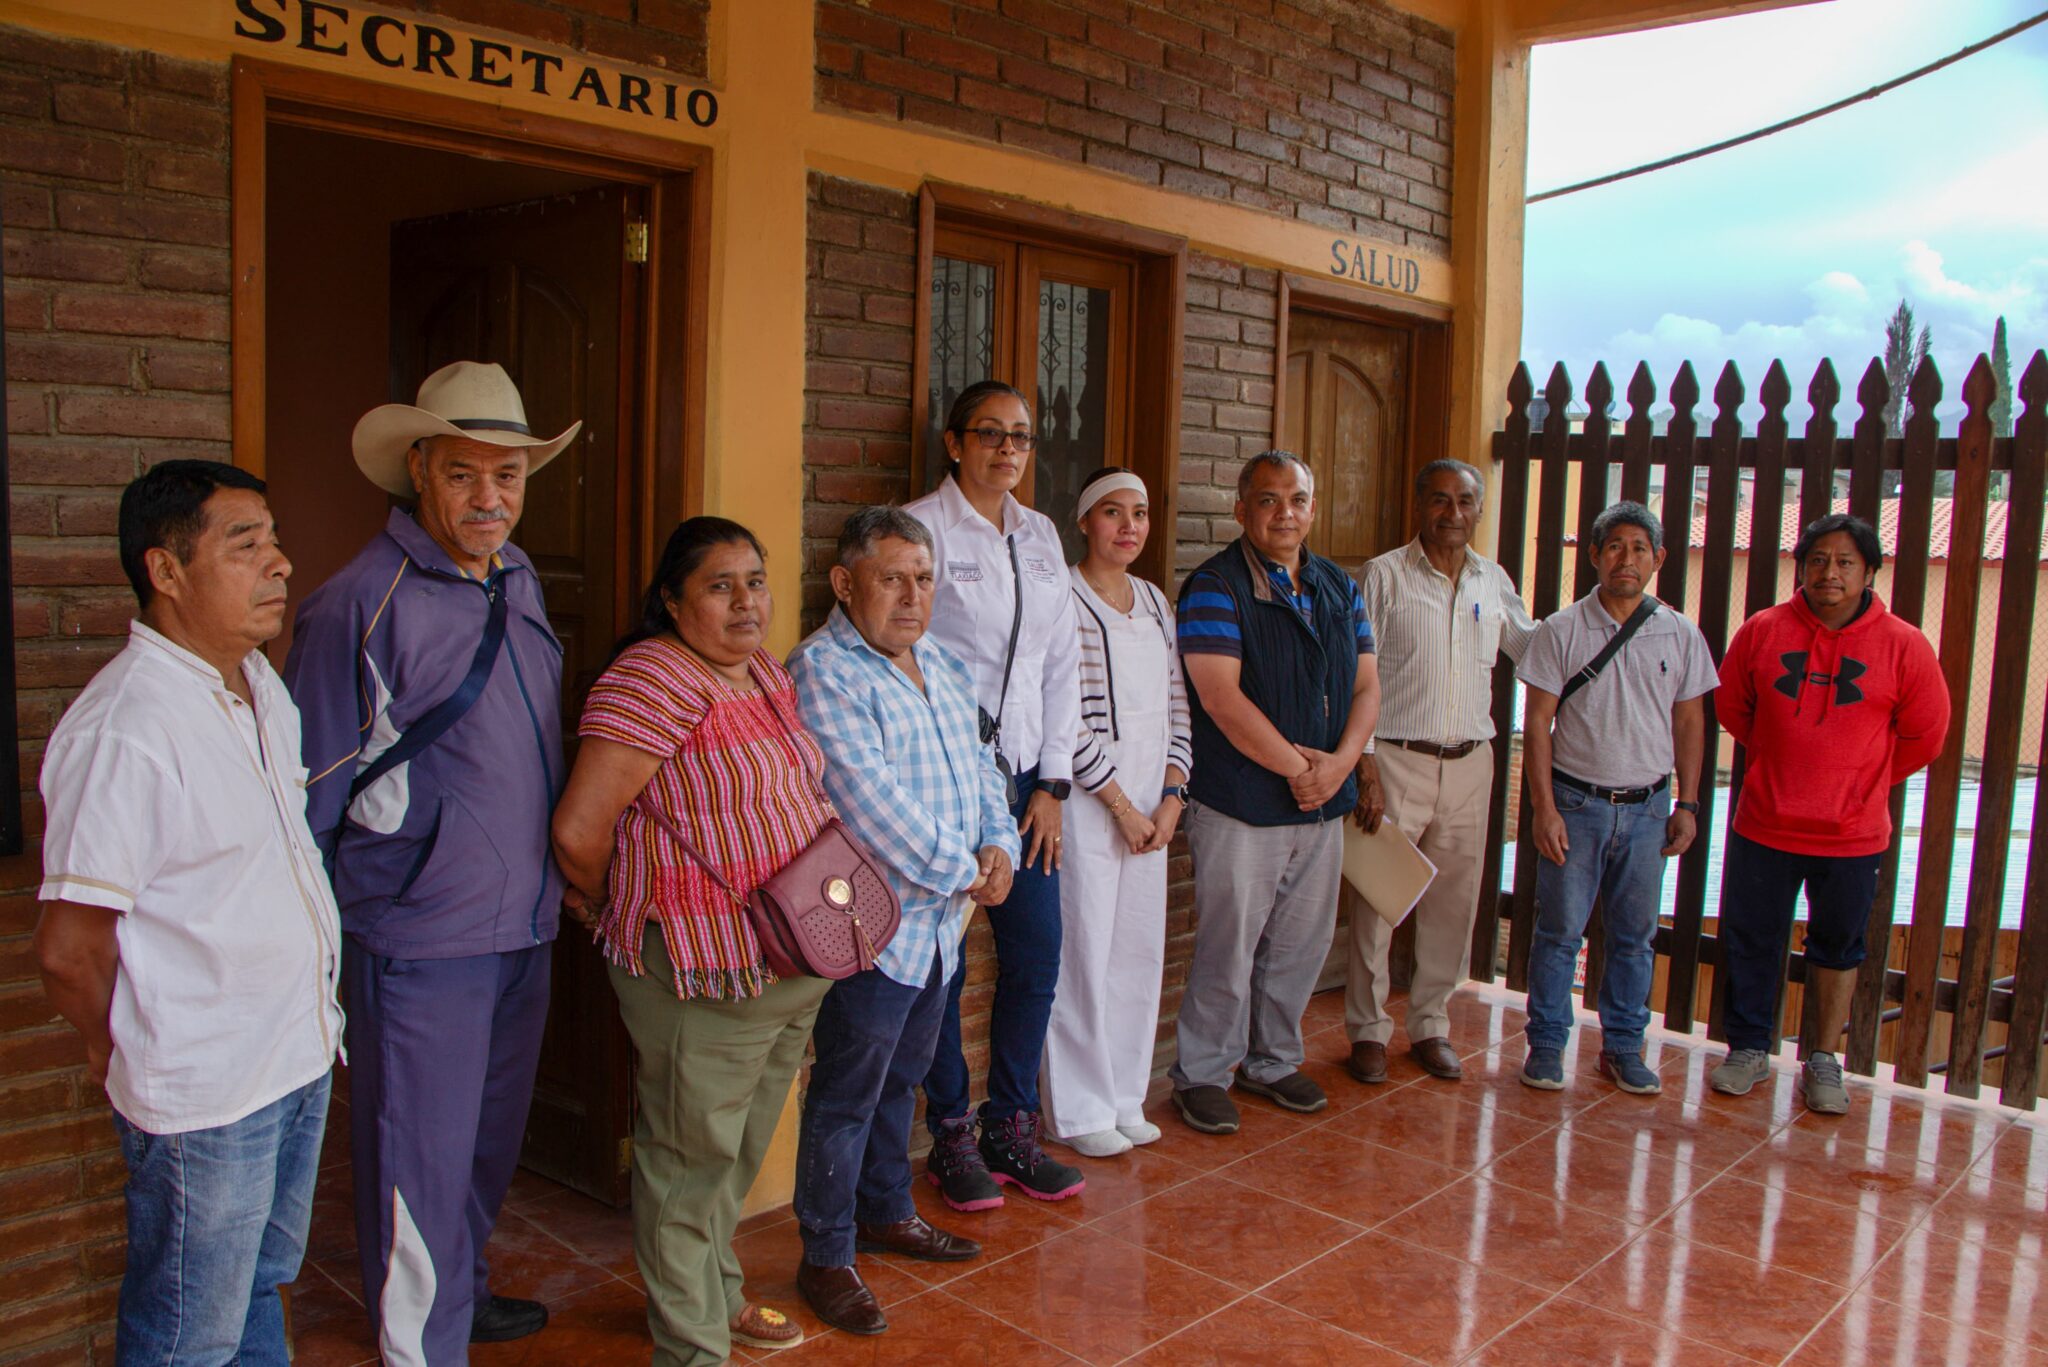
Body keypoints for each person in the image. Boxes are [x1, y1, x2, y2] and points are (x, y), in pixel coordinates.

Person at [284, 360, 575, 1362]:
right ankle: (421, 1345)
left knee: (486, 1148)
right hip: (414, 935)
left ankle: (461, 1287)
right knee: (418, 1156)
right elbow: (310, 800)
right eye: (463, 473)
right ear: (417, 468)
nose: (489, 497)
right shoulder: (356, 603)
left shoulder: (522, 577)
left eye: (508, 474)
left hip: (522, 923)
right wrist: (316, 956)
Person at [34, 460, 345, 1365]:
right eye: (244, 545)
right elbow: (68, 948)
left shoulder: (257, 686)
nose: (280, 562)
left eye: (274, 539)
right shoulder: (125, 725)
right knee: (184, 1334)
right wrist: (114, 1039)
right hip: (207, 1092)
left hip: (294, 1057)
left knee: (255, 1287)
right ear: (165, 571)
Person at [550, 518, 832, 1362]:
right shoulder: (650, 678)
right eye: (719, 584)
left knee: (736, 1150)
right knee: (685, 1161)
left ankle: (718, 1294)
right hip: (700, 968)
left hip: (788, 957)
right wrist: (612, 905)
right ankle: (690, 1347)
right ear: (672, 601)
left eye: (755, 578)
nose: (746, 600)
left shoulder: (763, 672)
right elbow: (579, 829)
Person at [787, 507, 1018, 1336]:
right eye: (892, 578)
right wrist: (971, 872)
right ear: (846, 584)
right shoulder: (824, 672)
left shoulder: (946, 665)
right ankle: (826, 1251)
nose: (912, 596)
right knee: (847, 1090)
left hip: (943, 926)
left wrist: (1001, 846)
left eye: (923, 578)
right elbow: (867, 801)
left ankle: (886, 1208)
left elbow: (989, 769)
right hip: (872, 926)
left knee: (901, 1075)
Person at [903, 381, 1085, 1207]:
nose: (1007, 450)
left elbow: (1060, 666)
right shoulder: (921, 530)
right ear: (954, 443)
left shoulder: (1041, 535)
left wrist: (1051, 783)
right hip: (941, 776)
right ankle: (950, 1133)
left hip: (1024, 781)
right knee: (940, 958)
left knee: (1035, 950)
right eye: (989, 434)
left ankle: (1011, 1124)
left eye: (1020, 437)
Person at [1170, 451, 1381, 1135]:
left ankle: (1272, 1060)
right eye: (1267, 499)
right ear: (1242, 510)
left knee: (1300, 943)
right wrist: (1301, 768)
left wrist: (1341, 763)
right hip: (1241, 803)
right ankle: (1202, 1072)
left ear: (1312, 508)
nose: (1284, 512)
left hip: (1322, 801)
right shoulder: (1215, 586)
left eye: (1297, 499)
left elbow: (1368, 684)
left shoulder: (1338, 587)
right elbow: (1220, 697)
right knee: (1230, 945)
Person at [1709, 513, 1948, 1114]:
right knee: (1752, 938)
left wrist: (1859, 781)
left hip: (1852, 835)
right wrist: (1784, 765)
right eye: (1818, 560)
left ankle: (1822, 1058)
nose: (1830, 572)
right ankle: (1748, 1048)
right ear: (1803, 568)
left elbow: (1927, 735)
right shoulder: (1763, 631)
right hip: (1765, 822)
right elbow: (1735, 709)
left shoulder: (1905, 645)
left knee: (1837, 947)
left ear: (1870, 572)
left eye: (1845, 562)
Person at [1517, 501, 1717, 1095]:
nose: (1625, 559)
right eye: (1613, 547)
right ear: (1595, 557)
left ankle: (1624, 1047)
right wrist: (1544, 808)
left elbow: (1689, 724)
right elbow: (1537, 725)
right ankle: (1547, 1045)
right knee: (1559, 932)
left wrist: (1688, 804)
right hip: (1577, 805)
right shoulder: (1563, 629)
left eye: (1638, 548)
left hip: (1650, 808)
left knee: (1635, 937)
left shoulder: (1680, 633)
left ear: (1658, 559)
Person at [1348, 460, 1537, 1084]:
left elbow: (1532, 651)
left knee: (1453, 902)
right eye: (1440, 500)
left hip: (1470, 764)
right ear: (1420, 504)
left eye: (1464, 502)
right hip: (1396, 757)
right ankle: (1368, 1031)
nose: (1452, 514)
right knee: (1380, 899)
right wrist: (1365, 760)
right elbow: (1355, 668)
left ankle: (1430, 1024)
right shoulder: (1385, 575)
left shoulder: (1493, 580)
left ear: (1478, 511)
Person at [1041, 468, 1192, 1157]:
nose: (1128, 526)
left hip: (1150, 805)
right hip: (1091, 804)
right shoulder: (1062, 599)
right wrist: (1123, 807)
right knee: (1085, 952)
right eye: (1112, 512)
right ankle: (1078, 1108)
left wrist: (1171, 796)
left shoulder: (1158, 602)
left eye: (1140, 512)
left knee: (1136, 951)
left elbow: (1177, 706)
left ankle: (1126, 1094)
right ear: (1083, 522)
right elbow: (1064, 720)